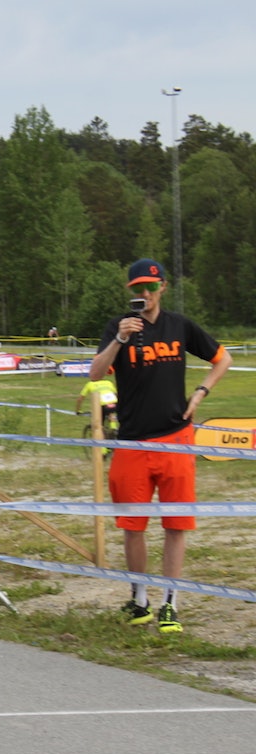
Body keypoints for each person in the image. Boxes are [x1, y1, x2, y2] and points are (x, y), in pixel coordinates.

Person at [89, 258, 231, 634]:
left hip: (176, 439)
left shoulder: (179, 325)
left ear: (163, 287)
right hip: (132, 442)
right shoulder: (117, 327)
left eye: (151, 287)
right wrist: (119, 339)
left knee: (176, 525)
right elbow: (95, 372)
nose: (145, 294)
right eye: (138, 288)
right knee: (132, 526)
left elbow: (223, 358)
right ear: (130, 292)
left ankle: (171, 603)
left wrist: (200, 392)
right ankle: (139, 600)